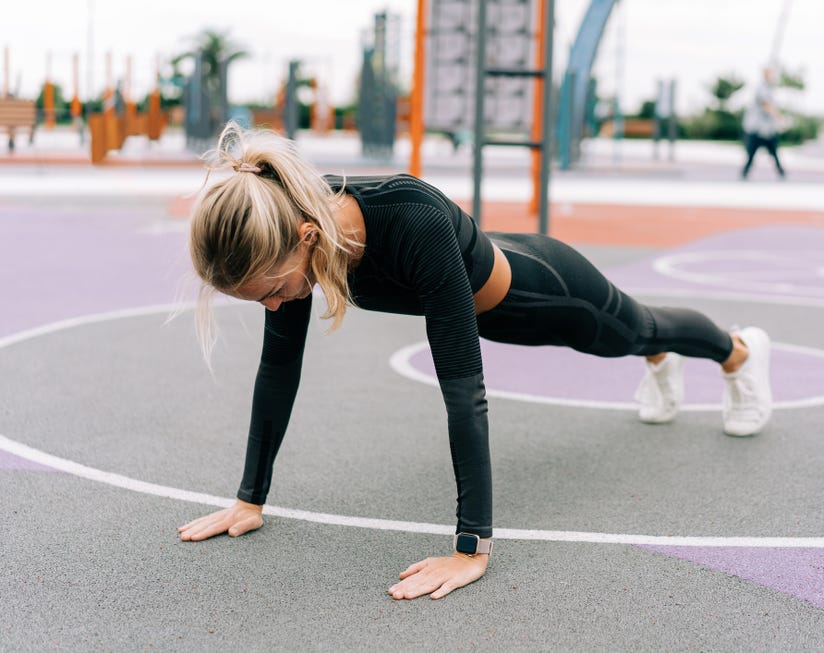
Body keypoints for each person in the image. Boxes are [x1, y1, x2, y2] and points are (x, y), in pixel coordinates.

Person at [177, 121, 773, 600]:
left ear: (307, 236)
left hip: (551, 298)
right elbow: (279, 368)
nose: (276, 305)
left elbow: (464, 389)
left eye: (274, 291)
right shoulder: (288, 216)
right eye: (263, 300)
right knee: (641, 337)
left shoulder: (411, 220)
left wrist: (471, 548)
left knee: (637, 328)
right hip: (494, 291)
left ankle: (738, 351)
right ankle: (661, 358)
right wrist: (248, 500)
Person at [741, 66, 786, 179]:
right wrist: (779, 117)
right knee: (752, 154)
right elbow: (766, 104)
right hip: (757, 129)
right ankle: (745, 173)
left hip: (767, 129)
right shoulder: (762, 88)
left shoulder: (768, 88)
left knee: (774, 153)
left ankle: (781, 172)